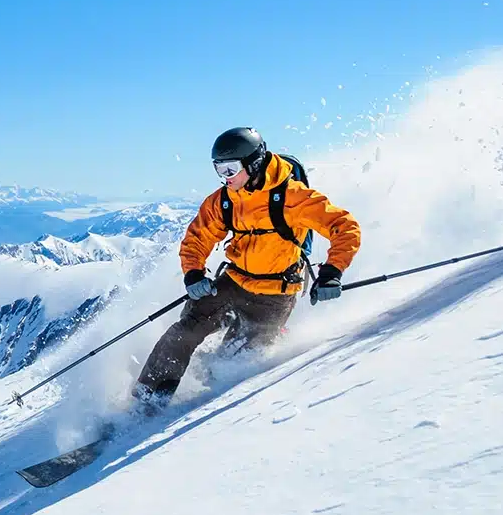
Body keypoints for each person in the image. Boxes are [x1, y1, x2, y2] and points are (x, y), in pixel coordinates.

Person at [132, 127, 362, 411]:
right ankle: (146, 404)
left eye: (230, 169)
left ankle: (200, 401)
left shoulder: (293, 198)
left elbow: (345, 227)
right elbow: (197, 239)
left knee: (232, 362)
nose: (225, 177)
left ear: (253, 163)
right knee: (184, 332)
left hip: (274, 295)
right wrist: (194, 273)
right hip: (232, 281)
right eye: (219, 170)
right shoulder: (224, 200)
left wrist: (331, 273)